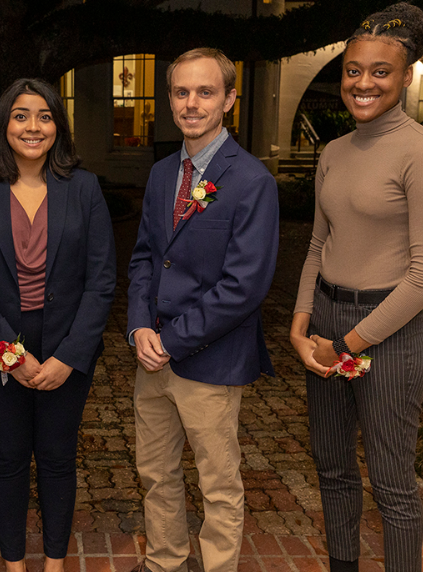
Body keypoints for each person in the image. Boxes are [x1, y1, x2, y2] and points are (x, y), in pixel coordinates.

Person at [289, 3, 423, 572]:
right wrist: (301, 324)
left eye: (380, 71)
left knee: (392, 484)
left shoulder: (422, 153)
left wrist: (348, 344)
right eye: (353, 69)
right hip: (328, 323)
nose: (363, 82)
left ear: (406, 76)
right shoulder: (333, 152)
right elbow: (316, 245)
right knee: (331, 470)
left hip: (391, 332)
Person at [0, 79, 116, 572]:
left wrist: (68, 356)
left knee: (59, 458)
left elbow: (101, 279)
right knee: (9, 458)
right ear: (4, 124)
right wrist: (11, 355)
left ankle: (56, 563)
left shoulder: (83, 187)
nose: (33, 126)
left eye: (44, 116)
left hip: (67, 345)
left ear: (57, 125)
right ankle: (15, 564)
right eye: (21, 115)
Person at [127, 48, 279, 572]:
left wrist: (173, 339)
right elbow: (146, 255)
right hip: (153, 356)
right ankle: (165, 561)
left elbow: (244, 286)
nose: (192, 103)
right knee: (155, 472)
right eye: (181, 92)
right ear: (170, 99)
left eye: (205, 92)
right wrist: (140, 326)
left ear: (229, 99)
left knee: (218, 483)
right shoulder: (163, 171)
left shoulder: (252, 181)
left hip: (210, 359)